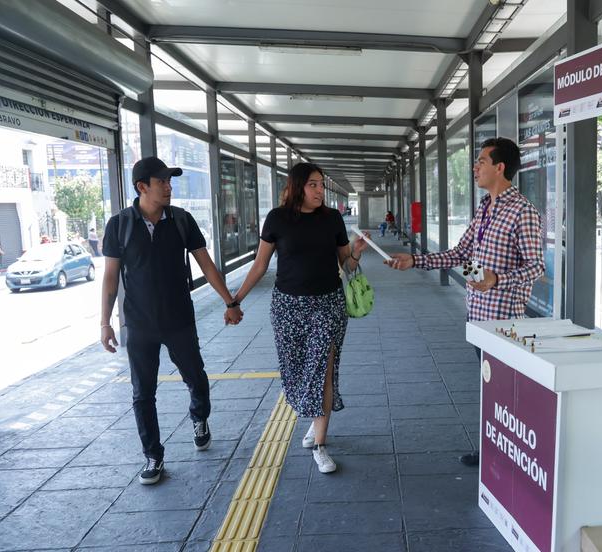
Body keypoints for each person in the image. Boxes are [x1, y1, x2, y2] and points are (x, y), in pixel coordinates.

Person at [385, 137, 544, 466]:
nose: (475, 167)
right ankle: (495, 450)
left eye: (481, 161)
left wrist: (497, 279)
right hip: (477, 318)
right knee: (493, 389)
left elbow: (535, 266)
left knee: (506, 393)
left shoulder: (522, 211)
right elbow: (462, 255)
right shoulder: (485, 209)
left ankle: (513, 455)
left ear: (500, 168)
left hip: (504, 322)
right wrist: (415, 261)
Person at [99, 156, 243, 486]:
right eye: (162, 181)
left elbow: (207, 265)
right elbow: (110, 278)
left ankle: (199, 418)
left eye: (170, 181)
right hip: (139, 325)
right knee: (142, 393)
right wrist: (105, 323)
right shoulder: (119, 225)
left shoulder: (182, 220)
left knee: (196, 376)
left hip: (179, 318)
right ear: (142, 187)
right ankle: (153, 455)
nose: (169, 187)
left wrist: (230, 301)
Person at [230, 162, 368, 474]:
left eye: (321, 185)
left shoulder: (332, 219)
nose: (320, 191)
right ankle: (313, 415)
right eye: (313, 185)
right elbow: (260, 265)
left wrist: (356, 252)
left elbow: (346, 265)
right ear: (298, 187)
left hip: (328, 304)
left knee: (324, 367)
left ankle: (320, 443)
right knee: (294, 372)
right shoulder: (277, 219)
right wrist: (235, 299)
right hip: (287, 307)